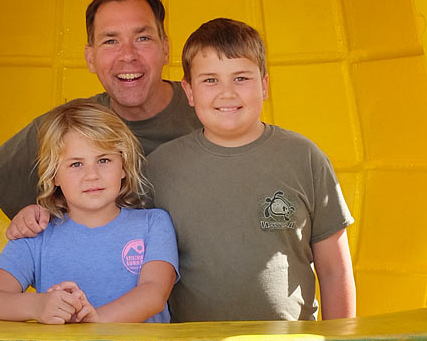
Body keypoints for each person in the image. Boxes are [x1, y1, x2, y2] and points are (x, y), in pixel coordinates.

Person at [0, 0, 199, 220]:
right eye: (110, 41)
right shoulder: (66, 128)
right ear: (90, 58)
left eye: (143, 38)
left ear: (165, 48)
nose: (127, 55)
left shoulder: (213, 109)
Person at [145, 18, 356, 323]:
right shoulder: (160, 168)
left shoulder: (305, 158)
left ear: (265, 85)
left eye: (241, 78)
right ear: (189, 92)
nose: (227, 93)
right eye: (210, 80)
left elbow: (335, 270)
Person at [0, 100, 178, 325]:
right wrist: (38, 306)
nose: (92, 175)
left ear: (124, 166)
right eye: (76, 164)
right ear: (54, 176)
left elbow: (154, 294)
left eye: (104, 160)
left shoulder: (153, 224)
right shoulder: (36, 235)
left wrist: (95, 321)